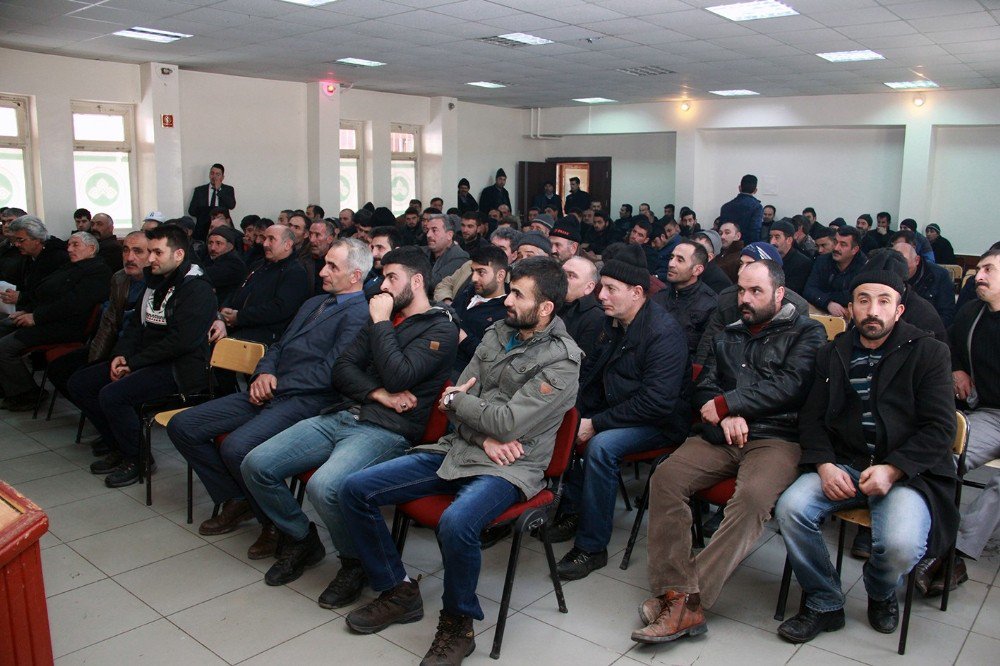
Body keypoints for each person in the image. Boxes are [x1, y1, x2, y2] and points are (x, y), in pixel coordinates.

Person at [338, 257, 580, 665]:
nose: (508, 300)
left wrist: (462, 405)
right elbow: (450, 403)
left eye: (518, 295)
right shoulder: (497, 333)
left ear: (545, 309)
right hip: (461, 447)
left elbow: (499, 420)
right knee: (355, 489)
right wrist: (478, 430)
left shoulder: (562, 360)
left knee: (456, 522)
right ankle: (397, 589)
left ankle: (458, 625)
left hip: (511, 468)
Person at [240, 247, 458, 606]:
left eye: (392, 278)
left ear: (417, 282)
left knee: (327, 486)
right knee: (257, 464)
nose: (383, 286)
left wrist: (382, 323)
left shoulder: (440, 328)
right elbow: (342, 370)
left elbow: (399, 373)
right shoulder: (382, 314)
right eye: (382, 276)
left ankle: (354, 563)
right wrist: (379, 393)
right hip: (344, 413)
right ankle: (301, 538)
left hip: (388, 430)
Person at [631, 260, 825, 645]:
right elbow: (704, 388)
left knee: (752, 499)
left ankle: (685, 602)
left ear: (780, 293)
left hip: (778, 437)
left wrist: (729, 404)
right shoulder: (728, 334)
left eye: (756, 291)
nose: (745, 299)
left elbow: (792, 386)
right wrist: (724, 414)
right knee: (666, 477)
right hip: (724, 435)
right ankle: (674, 590)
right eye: (741, 290)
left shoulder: (808, 332)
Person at [775, 271, 957, 644]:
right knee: (791, 508)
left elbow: (940, 428)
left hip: (907, 472)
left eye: (883, 301)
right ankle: (825, 599)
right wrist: (824, 464)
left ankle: (879, 589)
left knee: (901, 545)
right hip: (845, 462)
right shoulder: (833, 353)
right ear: (851, 307)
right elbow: (811, 417)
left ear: (899, 309)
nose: (872, 310)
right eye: (863, 300)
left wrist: (893, 469)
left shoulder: (930, 352)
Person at [168, 239, 371, 559]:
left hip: (306, 399)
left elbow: (332, 372)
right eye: (325, 263)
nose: (322, 271)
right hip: (269, 388)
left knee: (235, 446)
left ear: (356, 276)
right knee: (183, 425)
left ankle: (278, 525)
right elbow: (278, 346)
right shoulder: (313, 303)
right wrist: (264, 373)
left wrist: (274, 384)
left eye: (333, 266)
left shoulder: (360, 314)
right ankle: (239, 499)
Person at [552, 244, 691, 580]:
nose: (602, 296)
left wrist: (596, 423)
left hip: (662, 422)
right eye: (602, 287)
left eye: (611, 289)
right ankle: (572, 510)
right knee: (564, 421)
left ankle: (592, 547)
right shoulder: (613, 323)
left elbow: (657, 402)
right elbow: (594, 377)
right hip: (622, 409)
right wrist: (575, 413)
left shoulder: (663, 333)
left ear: (637, 292)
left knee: (602, 447)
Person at [70, 225, 217, 487]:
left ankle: (139, 460)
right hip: (147, 360)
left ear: (179, 254)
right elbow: (136, 326)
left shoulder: (197, 288)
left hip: (179, 370)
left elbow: (180, 342)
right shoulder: (155, 280)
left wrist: (133, 363)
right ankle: (119, 444)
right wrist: (121, 355)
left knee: (113, 395)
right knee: (80, 384)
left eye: (157, 252)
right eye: (150, 252)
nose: (150, 259)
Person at [46, 231, 149, 454]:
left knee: (86, 383)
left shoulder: (158, 283)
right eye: (125, 250)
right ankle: (111, 430)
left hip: (138, 352)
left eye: (138, 251)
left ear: (153, 255)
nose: (129, 257)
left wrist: (117, 358)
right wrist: (97, 356)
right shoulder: (120, 278)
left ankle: (121, 438)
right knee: (61, 369)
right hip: (116, 345)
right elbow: (109, 322)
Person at [938, 247, 1000, 595]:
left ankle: (954, 551)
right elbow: (947, 342)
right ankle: (934, 537)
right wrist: (956, 367)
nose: (979, 276)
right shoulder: (972, 313)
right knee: (945, 459)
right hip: (990, 413)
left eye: (989, 269)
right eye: (979, 269)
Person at [0, 232, 111, 410]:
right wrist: (26, 309)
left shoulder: (97, 272)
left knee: (4, 347)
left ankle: (28, 393)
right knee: (3, 326)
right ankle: (8, 389)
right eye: (69, 245)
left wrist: (35, 317)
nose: (69, 248)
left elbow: (71, 304)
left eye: (75, 245)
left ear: (91, 249)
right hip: (46, 318)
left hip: (64, 327)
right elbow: (44, 293)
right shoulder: (70, 266)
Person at [695, 242, 809, 364]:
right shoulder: (727, 297)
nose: (741, 272)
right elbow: (709, 341)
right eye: (741, 264)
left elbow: (796, 362)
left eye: (750, 264)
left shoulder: (796, 307)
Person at [210, 225, 311, 346]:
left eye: (271, 239)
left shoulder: (295, 272)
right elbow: (238, 290)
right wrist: (223, 314)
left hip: (265, 335)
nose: (265, 244)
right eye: (264, 238)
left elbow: (279, 309)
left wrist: (239, 317)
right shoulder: (259, 265)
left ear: (288, 245)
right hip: (238, 324)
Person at [652, 240, 719, 354]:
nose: (671, 264)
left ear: (697, 270)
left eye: (680, 260)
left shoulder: (710, 304)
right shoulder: (659, 296)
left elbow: (706, 352)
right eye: (671, 257)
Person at [451, 245, 509, 376]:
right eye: (473, 271)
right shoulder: (468, 291)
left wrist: (462, 336)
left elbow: (491, 358)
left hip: (463, 373)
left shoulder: (507, 311)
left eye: (481, 272)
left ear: (500, 275)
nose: (474, 278)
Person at [1, 216, 68, 311]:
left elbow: (53, 294)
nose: (16, 244)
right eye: (16, 240)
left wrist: (22, 298)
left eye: (21, 240)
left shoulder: (57, 258)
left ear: (37, 239)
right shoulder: (27, 256)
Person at [892, 231, 955, 326]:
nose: (898, 266)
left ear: (917, 260)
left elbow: (947, 315)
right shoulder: (888, 272)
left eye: (903, 261)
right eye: (894, 261)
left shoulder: (939, 276)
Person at [804, 226, 868, 317]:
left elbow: (855, 296)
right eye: (835, 242)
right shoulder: (822, 260)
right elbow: (809, 289)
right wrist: (828, 303)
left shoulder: (865, 267)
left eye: (843, 244)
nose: (836, 248)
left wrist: (824, 296)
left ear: (854, 250)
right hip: (822, 309)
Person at [188, 163, 236, 241]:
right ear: (209, 175)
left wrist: (219, 190)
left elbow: (231, 205)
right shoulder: (199, 190)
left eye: (217, 174)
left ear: (222, 177)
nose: (214, 177)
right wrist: (204, 213)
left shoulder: (228, 189)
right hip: (202, 227)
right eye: (212, 173)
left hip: (222, 226)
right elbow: (191, 211)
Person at [203, 226, 248, 306]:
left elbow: (206, 275)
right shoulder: (212, 259)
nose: (213, 248)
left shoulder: (234, 264)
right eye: (210, 243)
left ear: (230, 245)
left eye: (218, 243)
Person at [424, 214, 470, 290]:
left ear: (449, 235)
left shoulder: (459, 257)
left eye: (434, 230)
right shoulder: (425, 251)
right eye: (428, 230)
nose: (428, 235)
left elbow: (434, 284)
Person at [769, 218, 813, 295]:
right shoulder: (767, 257)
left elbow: (792, 292)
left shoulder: (802, 263)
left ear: (789, 240)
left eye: (777, 237)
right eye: (771, 237)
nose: (772, 242)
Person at [719, 174, 764, 243]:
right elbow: (755, 231)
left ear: (739, 188)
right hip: (746, 245)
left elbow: (721, 229)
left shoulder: (725, 206)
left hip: (727, 244)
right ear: (755, 190)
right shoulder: (757, 207)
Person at [364, 226, 401, 300]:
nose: (373, 253)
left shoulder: (400, 282)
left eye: (380, 248)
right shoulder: (367, 272)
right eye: (372, 248)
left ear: (396, 251)